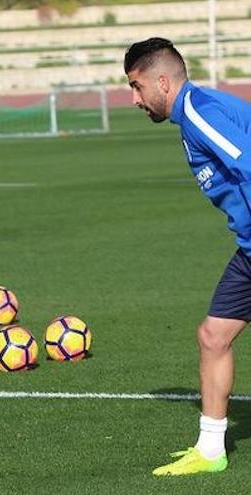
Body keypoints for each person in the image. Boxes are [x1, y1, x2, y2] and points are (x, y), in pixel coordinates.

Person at [124, 37, 251, 476]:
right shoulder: (190, 116)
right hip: (249, 250)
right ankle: (211, 450)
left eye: (137, 87)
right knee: (213, 337)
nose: (135, 99)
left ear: (162, 81)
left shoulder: (199, 111)